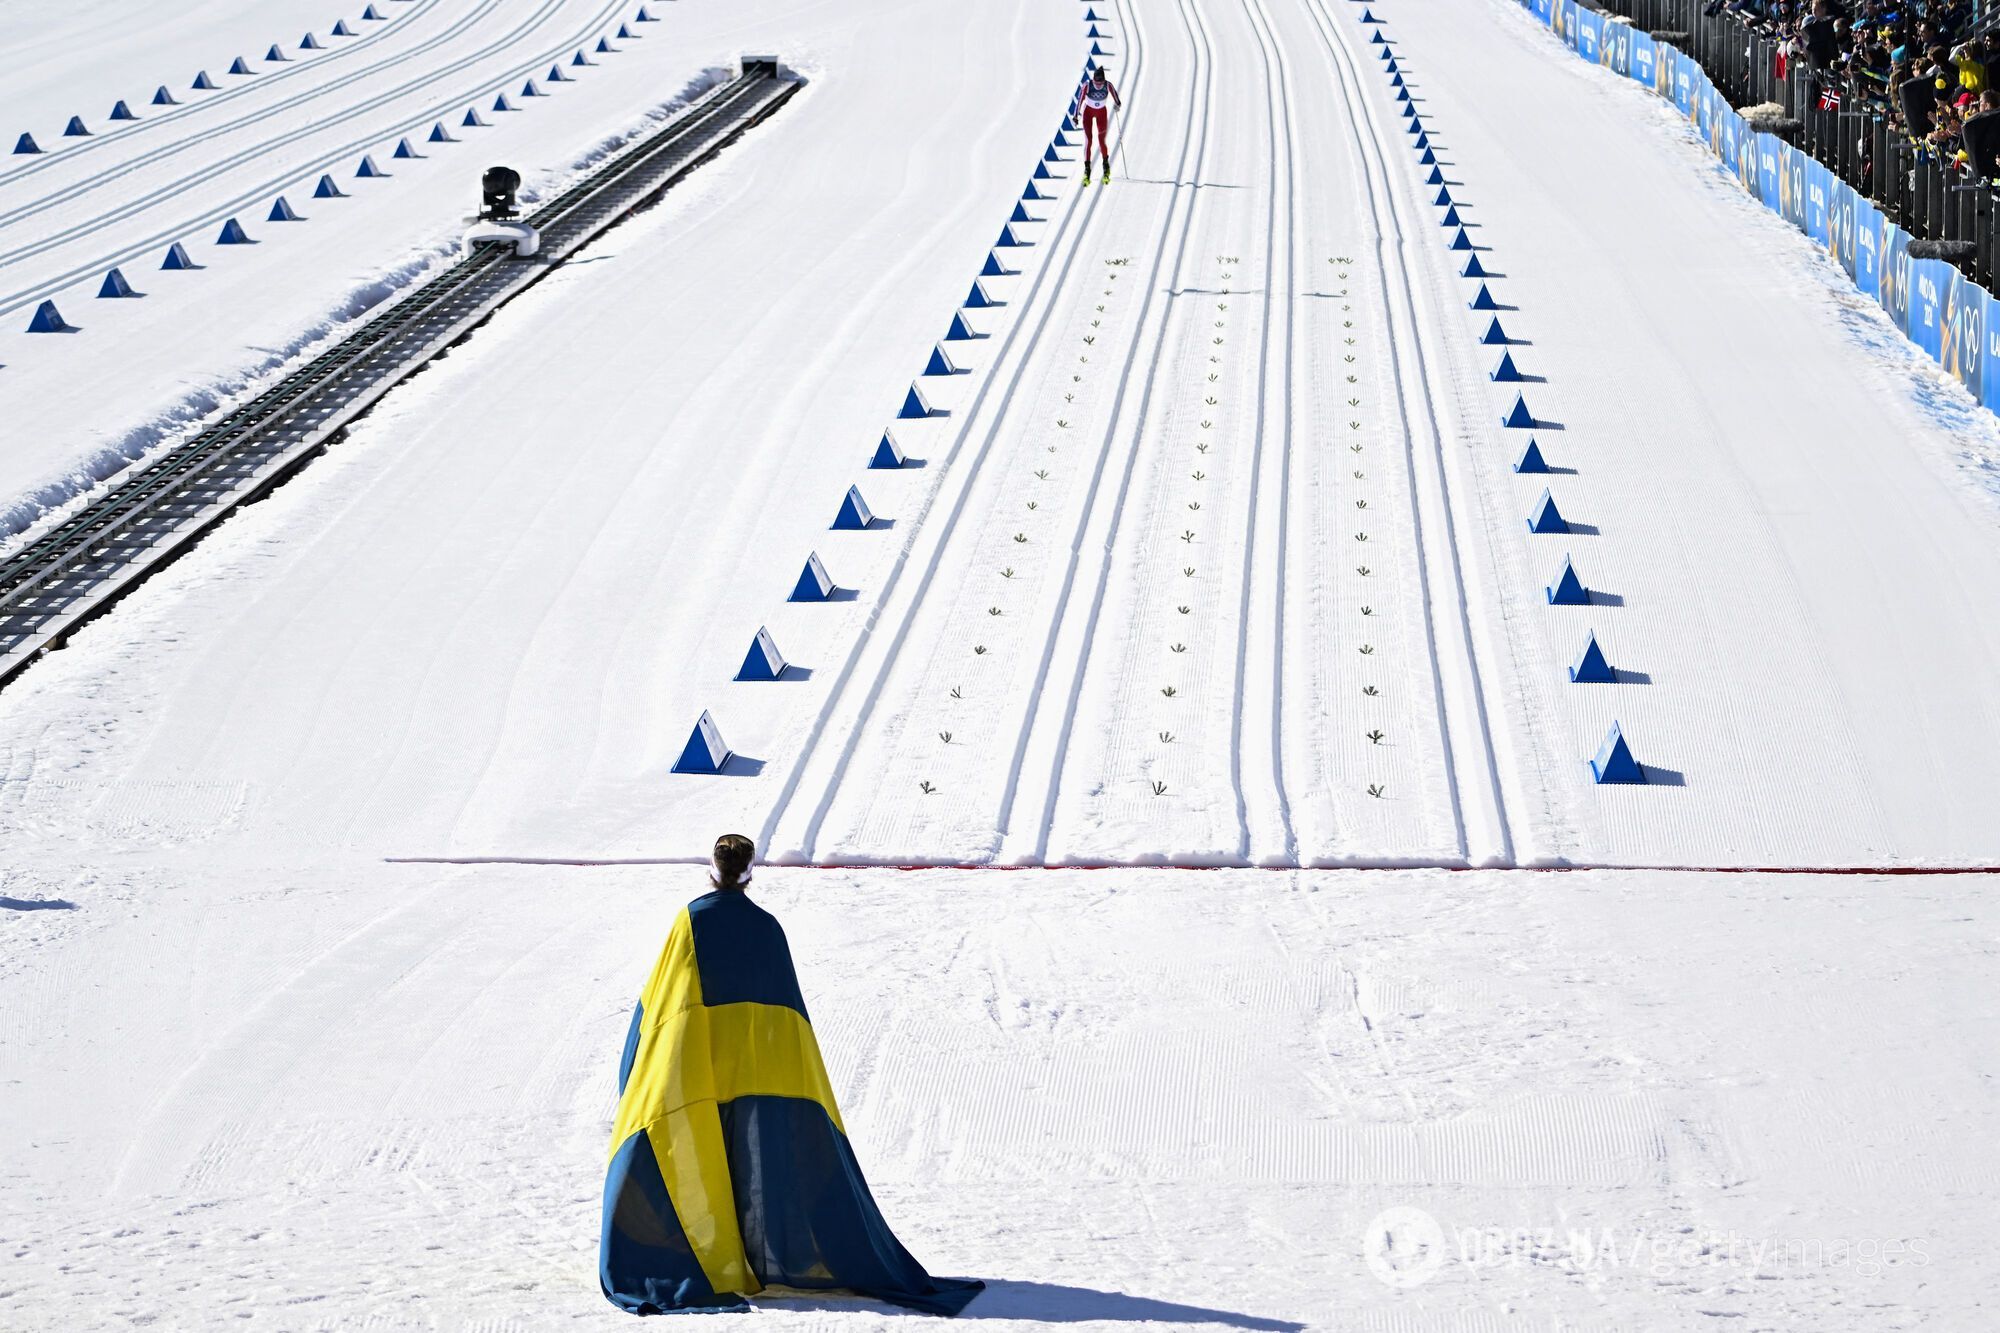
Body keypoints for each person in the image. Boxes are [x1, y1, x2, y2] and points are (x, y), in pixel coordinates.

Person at [599, 835, 983, 1316]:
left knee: (703, 1157)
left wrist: (637, 1066)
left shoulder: (691, 921)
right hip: (759, 1075)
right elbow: (785, 1014)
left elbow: (659, 1007)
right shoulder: (767, 928)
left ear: (712, 870)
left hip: (698, 1070)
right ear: (749, 872)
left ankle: (716, 1258)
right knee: (753, 1160)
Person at [1079, 66, 1121, 185]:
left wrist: (1117, 105)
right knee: (1089, 141)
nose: (1098, 85)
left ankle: (1106, 166)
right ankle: (1087, 170)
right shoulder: (1088, 85)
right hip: (1088, 112)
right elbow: (1080, 100)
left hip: (1101, 113)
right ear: (1093, 79)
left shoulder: (1108, 85)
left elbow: (1117, 99)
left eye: (1100, 83)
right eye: (1096, 83)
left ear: (1104, 80)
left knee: (1101, 140)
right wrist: (1075, 116)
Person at [1963, 88, 2000, 178]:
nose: (1978, 107)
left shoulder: (1994, 123)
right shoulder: (1986, 123)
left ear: (1987, 105)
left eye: (1980, 103)